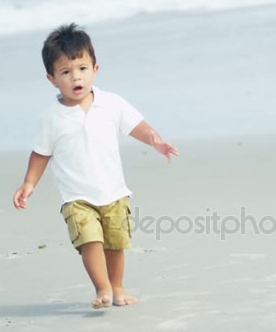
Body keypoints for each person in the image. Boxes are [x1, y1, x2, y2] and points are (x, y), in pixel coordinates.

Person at [12, 23, 178, 309]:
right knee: (90, 242)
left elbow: (136, 126)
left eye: (82, 68)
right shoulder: (51, 117)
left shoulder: (111, 103)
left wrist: (155, 141)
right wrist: (29, 183)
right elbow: (40, 154)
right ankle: (102, 289)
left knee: (115, 245)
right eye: (65, 72)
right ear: (52, 79)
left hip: (114, 192)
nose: (75, 77)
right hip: (77, 198)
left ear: (95, 69)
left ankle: (117, 288)